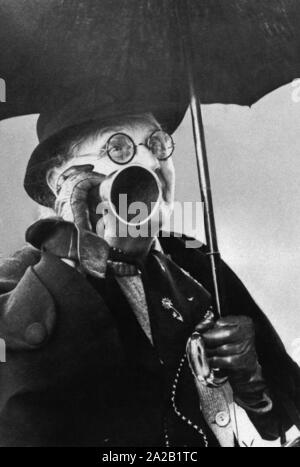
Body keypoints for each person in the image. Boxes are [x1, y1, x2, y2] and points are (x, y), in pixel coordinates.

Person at [0, 104, 299, 447]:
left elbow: (278, 423)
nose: (152, 162)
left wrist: (252, 376)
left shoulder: (195, 258)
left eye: (157, 145)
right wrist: (73, 257)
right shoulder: (20, 283)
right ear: (63, 180)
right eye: (119, 148)